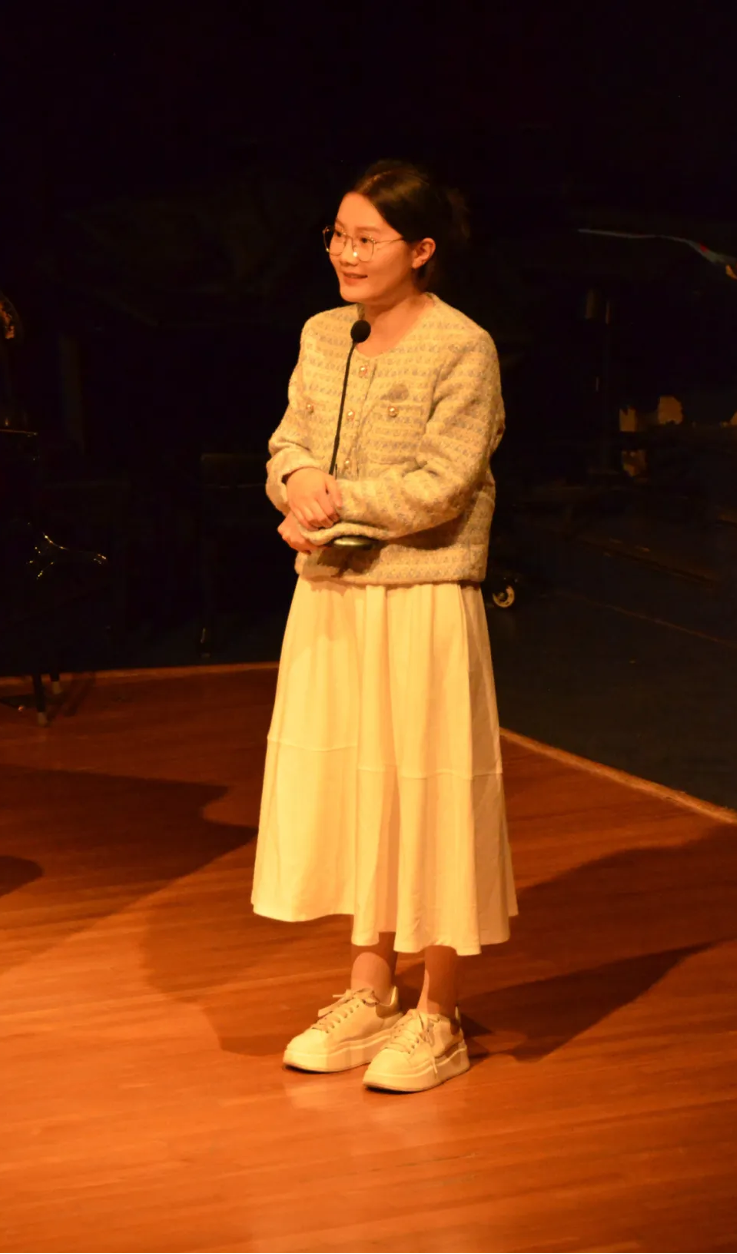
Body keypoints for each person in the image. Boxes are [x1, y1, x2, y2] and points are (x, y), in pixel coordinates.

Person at [252, 159, 517, 1093]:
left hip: (421, 595)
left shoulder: (462, 347)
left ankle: (438, 1012)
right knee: (357, 789)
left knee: (429, 791)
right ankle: (371, 990)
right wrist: (294, 486)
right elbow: (288, 441)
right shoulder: (324, 334)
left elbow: (443, 484)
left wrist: (331, 505)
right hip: (332, 593)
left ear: (422, 249)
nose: (347, 253)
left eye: (367, 238)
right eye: (338, 235)